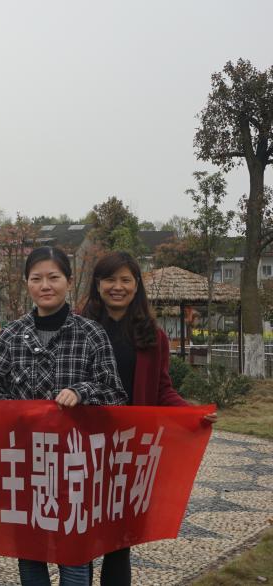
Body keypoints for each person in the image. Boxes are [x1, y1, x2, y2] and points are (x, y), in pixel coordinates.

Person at [0, 247, 125, 586]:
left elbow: (115, 393)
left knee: (74, 547)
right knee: (30, 547)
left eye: (54, 277)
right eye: (37, 278)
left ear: (69, 282)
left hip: (77, 463)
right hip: (25, 460)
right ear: (27, 283)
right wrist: (16, 413)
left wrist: (82, 392)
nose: (45, 285)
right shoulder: (12, 334)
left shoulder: (91, 333)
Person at [81, 251, 217, 586]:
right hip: (83, 446)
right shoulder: (78, 329)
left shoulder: (152, 337)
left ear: (136, 285)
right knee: (81, 537)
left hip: (128, 448)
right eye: (109, 279)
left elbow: (161, 390)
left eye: (125, 280)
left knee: (119, 540)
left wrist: (192, 414)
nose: (117, 287)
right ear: (97, 284)